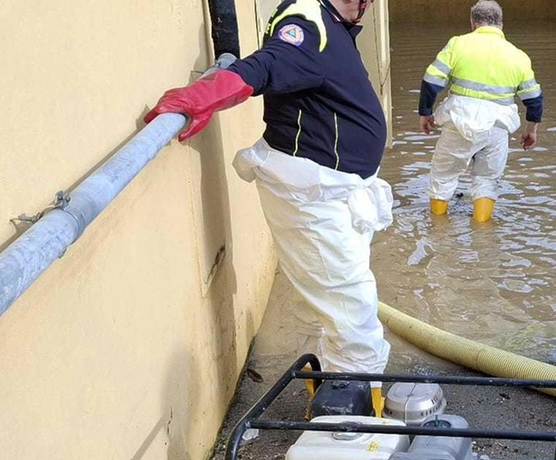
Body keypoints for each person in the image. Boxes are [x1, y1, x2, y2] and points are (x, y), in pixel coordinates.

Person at [144, 0, 393, 414]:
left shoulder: (331, 21)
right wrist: (199, 98)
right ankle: (356, 432)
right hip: (313, 198)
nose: (364, 5)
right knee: (351, 308)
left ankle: (328, 409)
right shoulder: (307, 21)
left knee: (324, 305)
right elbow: (264, 66)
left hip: (331, 191)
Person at [420, 1, 543, 223]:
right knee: (487, 180)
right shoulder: (518, 56)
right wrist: (531, 130)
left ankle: (437, 230)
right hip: (497, 127)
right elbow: (534, 100)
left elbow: (431, 81)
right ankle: (483, 235)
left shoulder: (458, 44)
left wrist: (425, 112)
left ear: (473, 23)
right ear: (501, 24)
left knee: (443, 175)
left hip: (459, 122)